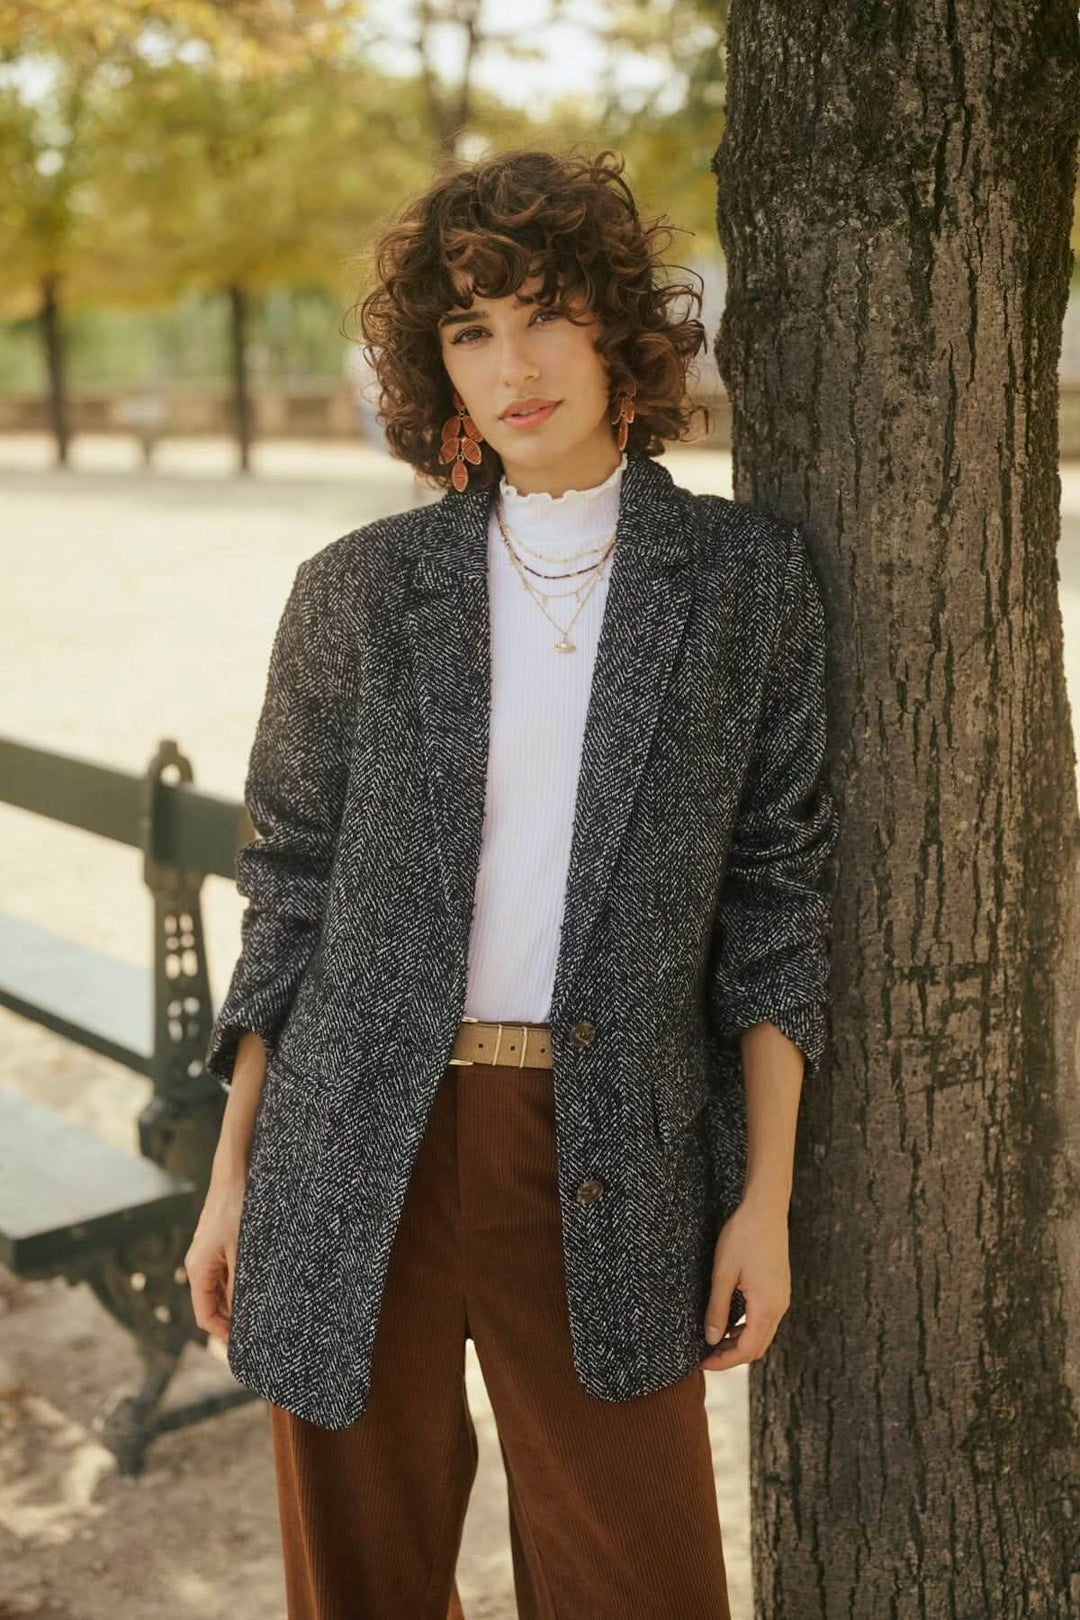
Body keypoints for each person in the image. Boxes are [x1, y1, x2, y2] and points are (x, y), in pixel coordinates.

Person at [184, 145, 839, 1620]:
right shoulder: (359, 589)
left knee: (641, 1585)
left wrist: (766, 1199)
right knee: (361, 1586)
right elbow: (286, 891)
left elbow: (779, 902)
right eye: (468, 332)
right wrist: (232, 1178)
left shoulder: (744, 586)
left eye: (542, 313)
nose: (512, 364)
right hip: (353, 1149)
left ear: (620, 329)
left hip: (607, 1152)